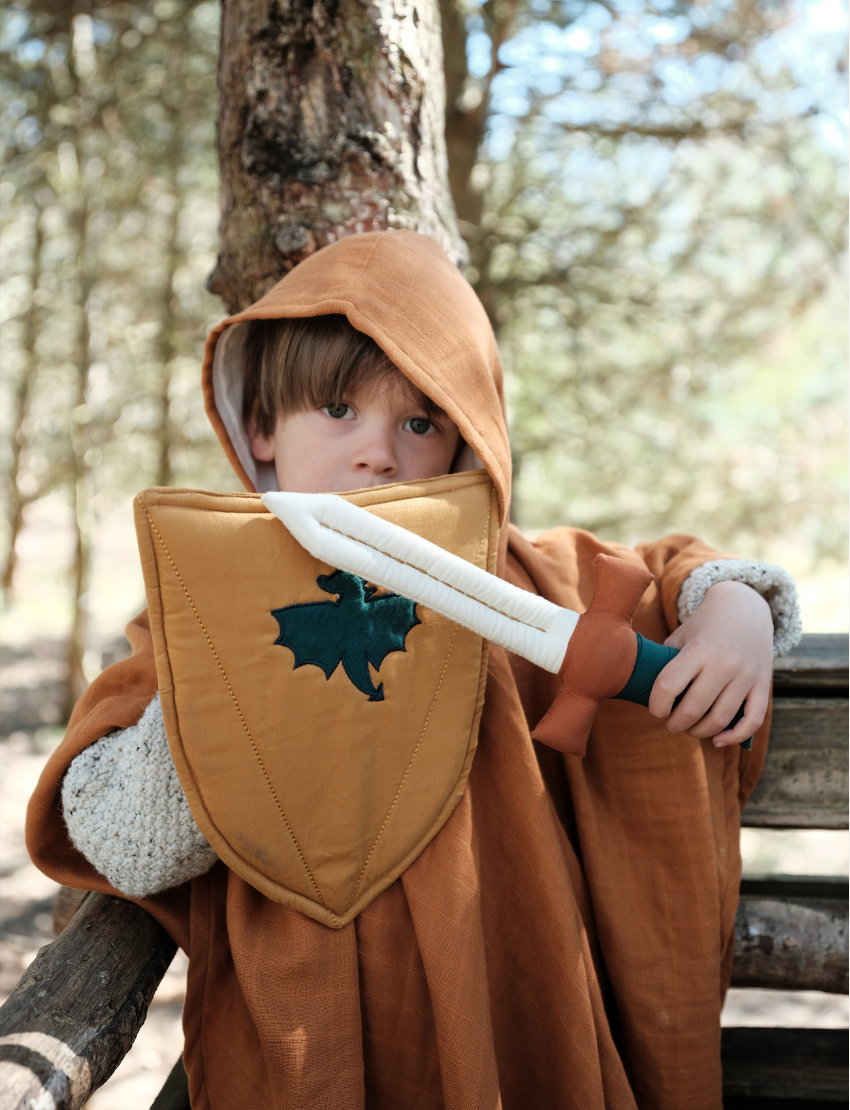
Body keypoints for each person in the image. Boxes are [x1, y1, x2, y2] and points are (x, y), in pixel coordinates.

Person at [27, 230, 801, 1110]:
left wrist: (734, 607)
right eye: (338, 409)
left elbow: (667, 571)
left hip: (510, 984)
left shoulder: (509, 581)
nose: (378, 453)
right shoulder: (197, 604)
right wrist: (230, 685)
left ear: (468, 445)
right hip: (303, 1020)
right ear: (261, 427)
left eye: (420, 421)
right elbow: (118, 835)